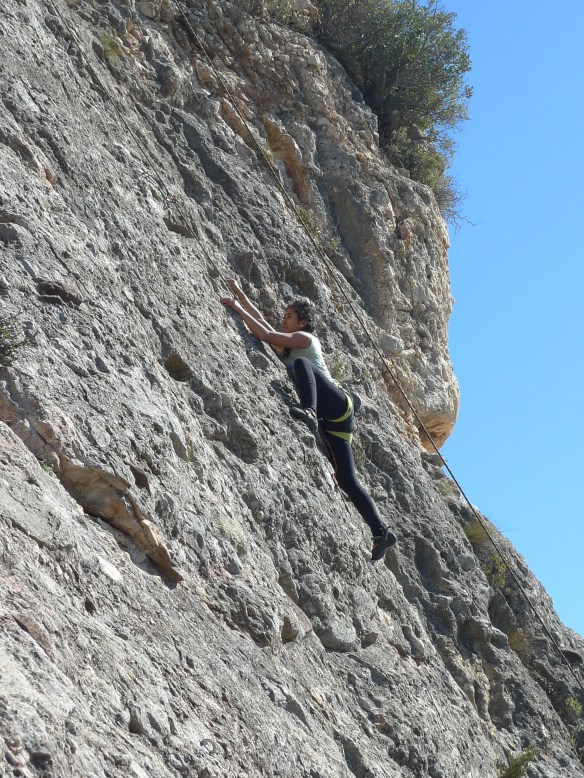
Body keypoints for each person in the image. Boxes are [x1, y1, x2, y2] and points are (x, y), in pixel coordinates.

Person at [220, 278, 397, 561]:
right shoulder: (291, 345)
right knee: (346, 478)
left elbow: (264, 333)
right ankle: (381, 532)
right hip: (336, 422)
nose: (283, 320)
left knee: (303, 365)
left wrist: (239, 308)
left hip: (335, 405)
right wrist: (239, 294)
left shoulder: (305, 340)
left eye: (289, 317)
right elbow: (265, 325)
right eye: (285, 316)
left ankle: (309, 411)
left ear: (302, 322)